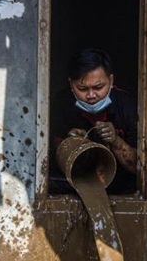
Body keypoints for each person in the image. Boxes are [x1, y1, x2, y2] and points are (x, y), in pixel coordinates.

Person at [50, 49, 138, 194]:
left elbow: (138, 168)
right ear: (71, 84)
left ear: (111, 81)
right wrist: (72, 144)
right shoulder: (61, 104)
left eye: (98, 87)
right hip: (76, 184)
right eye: (82, 89)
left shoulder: (127, 105)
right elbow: (53, 157)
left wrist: (115, 141)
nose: (91, 95)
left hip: (122, 186)